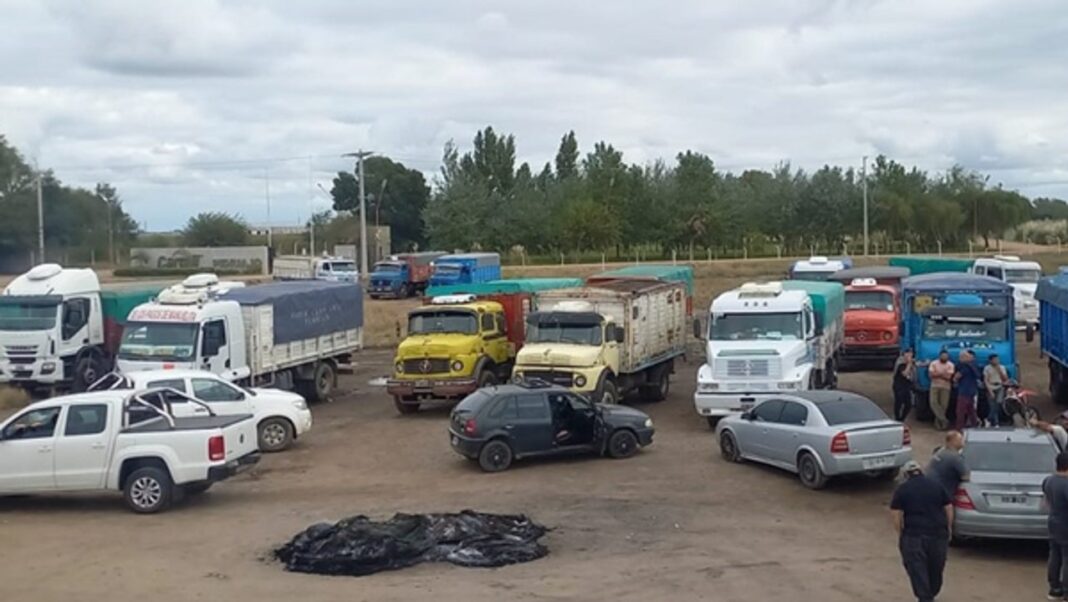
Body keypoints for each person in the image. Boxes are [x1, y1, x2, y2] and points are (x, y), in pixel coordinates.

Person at [890, 461, 953, 602]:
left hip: (914, 535)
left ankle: (925, 597)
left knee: (917, 568)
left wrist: (900, 533)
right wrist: (948, 527)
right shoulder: (936, 485)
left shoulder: (903, 489)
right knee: (936, 567)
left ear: (906, 474)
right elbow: (948, 507)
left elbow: (895, 513)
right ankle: (931, 592)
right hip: (938, 534)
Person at [1044, 451, 1068, 600]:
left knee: (1055, 555)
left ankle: (1054, 588)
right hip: (1066, 524)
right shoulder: (1066, 484)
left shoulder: (1049, 480)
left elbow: (1047, 502)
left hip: (1053, 522)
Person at [926, 431, 969, 498]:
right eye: (960, 440)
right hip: (943, 495)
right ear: (953, 441)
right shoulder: (955, 458)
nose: (963, 442)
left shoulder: (940, 452)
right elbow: (966, 477)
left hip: (930, 490)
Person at [953, 350, 981, 430]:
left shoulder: (965, 367)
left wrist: (955, 380)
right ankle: (974, 425)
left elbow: (957, 377)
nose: (960, 359)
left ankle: (959, 428)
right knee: (971, 410)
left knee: (960, 411)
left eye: (962, 357)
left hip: (964, 391)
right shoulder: (974, 366)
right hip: (972, 390)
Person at [928, 350, 955, 431]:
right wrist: (943, 374)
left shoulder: (950, 365)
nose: (944, 357)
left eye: (946, 356)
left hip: (946, 387)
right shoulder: (933, 363)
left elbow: (948, 377)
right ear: (939, 356)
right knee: (933, 403)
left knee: (943, 406)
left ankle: (940, 425)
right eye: (943, 356)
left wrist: (937, 374)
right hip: (934, 386)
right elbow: (931, 375)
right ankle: (945, 420)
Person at [982, 354, 1008, 427]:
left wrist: (999, 370)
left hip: (999, 386)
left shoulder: (1002, 367)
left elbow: (1005, 379)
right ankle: (996, 422)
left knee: (998, 402)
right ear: (990, 360)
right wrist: (989, 390)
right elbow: (985, 380)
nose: (996, 361)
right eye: (995, 359)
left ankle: (988, 419)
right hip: (991, 386)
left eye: (997, 359)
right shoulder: (987, 368)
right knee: (992, 405)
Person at [893, 348, 917, 422]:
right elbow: (905, 373)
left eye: (911, 354)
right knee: (899, 402)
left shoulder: (912, 364)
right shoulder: (900, 363)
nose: (909, 356)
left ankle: (902, 419)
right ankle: (897, 418)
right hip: (899, 386)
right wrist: (909, 364)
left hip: (907, 386)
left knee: (908, 404)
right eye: (907, 354)